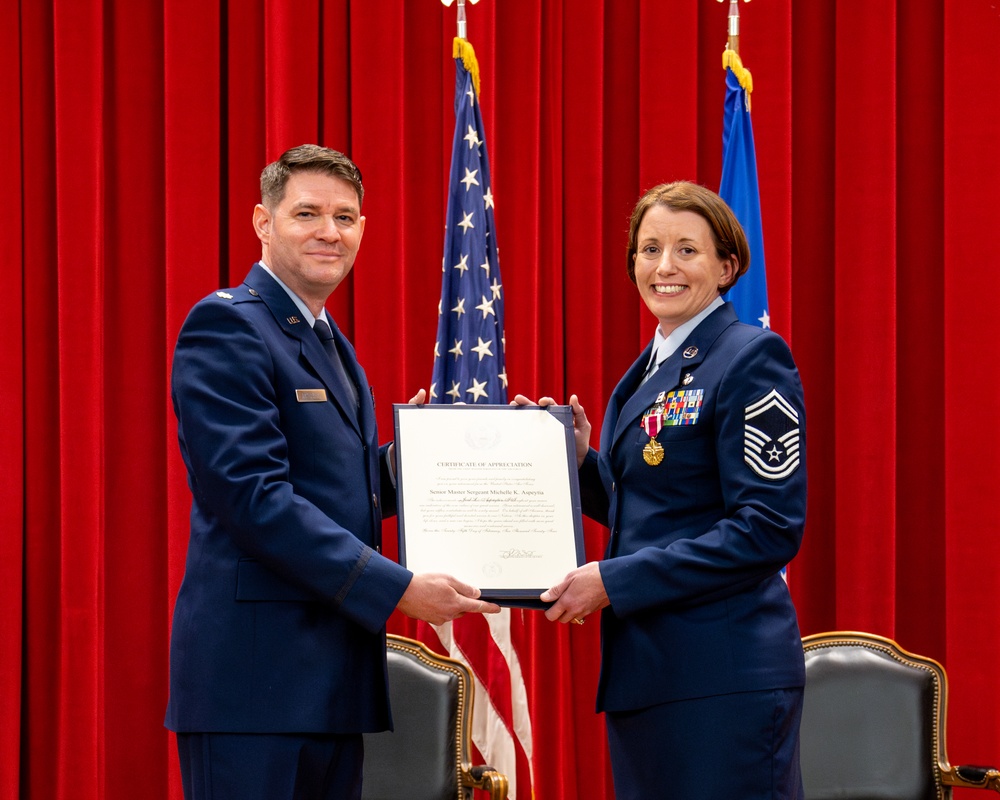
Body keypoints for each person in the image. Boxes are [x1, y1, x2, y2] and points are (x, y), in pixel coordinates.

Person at [165, 144, 499, 800]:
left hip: (330, 685)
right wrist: (398, 588)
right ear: (263, 222)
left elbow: (342, 490)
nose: (330, 232)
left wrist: (431, 458)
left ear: (363, 230)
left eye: (346, 217)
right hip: (254, 687)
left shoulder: (329, 343)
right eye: (308, 213)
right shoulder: (228, 326)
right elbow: (254, 497)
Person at [524, 181, 807, 799]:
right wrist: (575, 465)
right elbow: (652, 507)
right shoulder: (655, 367)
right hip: (653, 673)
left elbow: (766, 528)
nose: (664, 267)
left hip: (721, 676)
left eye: (687, 250)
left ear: (727, 265)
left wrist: (614, 581)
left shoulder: (751, 357)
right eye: (649, 249)